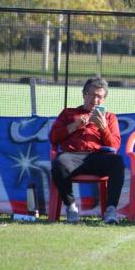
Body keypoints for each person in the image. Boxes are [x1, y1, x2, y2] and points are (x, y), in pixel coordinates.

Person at [49, 77, 124, 224]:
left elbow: (114, 146)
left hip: (97, 157)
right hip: (72, 156)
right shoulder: (68, 113)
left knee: (117, 162)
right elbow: (53, 138)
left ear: (104, 99)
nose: (95, 100)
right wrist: (74, 126)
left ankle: (111, 210)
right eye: (92, 95)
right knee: (59, 162)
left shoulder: (109, 118)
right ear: (84, 94)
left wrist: (103, 128)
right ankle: (71, 207)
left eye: (100, 97)